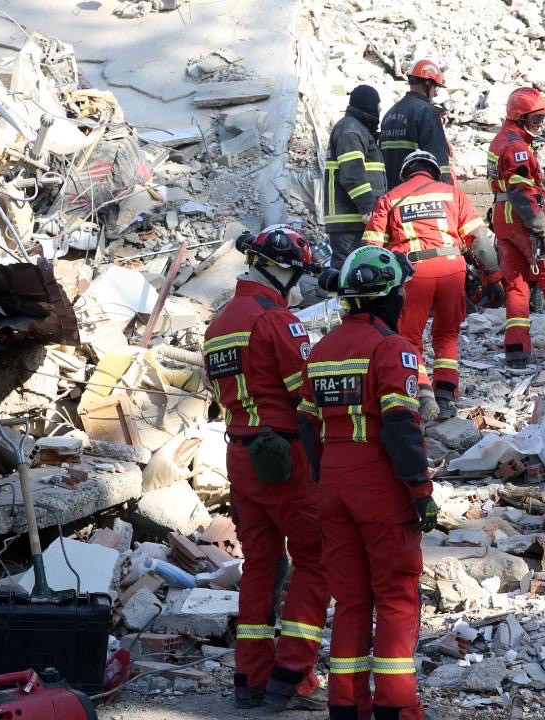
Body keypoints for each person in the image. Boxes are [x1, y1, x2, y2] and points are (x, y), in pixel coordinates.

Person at [297, 246, 438, 720]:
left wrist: (322, 478)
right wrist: (421, 491)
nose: (403, 298)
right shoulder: (391, 347)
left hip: (332, 483)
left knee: (352, 599)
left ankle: (345, 705)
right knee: (397, 594)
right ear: (384, 296)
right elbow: (400, 425)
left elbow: (305, 425)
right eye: (399, 291)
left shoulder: (321, 351)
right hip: (377, 484)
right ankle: (397, 707)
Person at [201, 225, 331, 710]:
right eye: (296, 273)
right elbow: (309, 394)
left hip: (239, 453)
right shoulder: (278, 320)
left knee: (260, 564)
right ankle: (293, 676)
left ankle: (249, 679)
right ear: (279, 268)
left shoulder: (217, 327)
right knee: (315, 559)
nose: (297, 284)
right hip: (285, 455)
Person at [361, 149, 498, 421]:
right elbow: (480, 240)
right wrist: (493, 276)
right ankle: (446, 395)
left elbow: (371, 247)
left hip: (414, 272)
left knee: (410, 336)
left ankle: (423, 393)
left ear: (405, 173)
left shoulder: (390, 198)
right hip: (452, 268)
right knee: (446, 334)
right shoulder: (453, 194)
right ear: (434, 171)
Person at [486, 87, 545, 369]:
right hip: (522, 220)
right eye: (536, 119)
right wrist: (544, 228)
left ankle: (516, 350)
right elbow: (521, 194)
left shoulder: (500, 140)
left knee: (516, 285)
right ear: (521, 118)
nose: (540, 125)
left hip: (503, 220)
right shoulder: (516, 147)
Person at [326, 85, 387, 268]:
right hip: (350, 220)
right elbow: (353, 174)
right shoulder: (350, 129)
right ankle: (338, 298)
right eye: (378, 106)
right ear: (369, 105)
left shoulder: (357, 129)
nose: (380, 111)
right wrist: (369, 209)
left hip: (353, 219)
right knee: (349, 272)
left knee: (359, 274)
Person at [381, 59, 453, 188]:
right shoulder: (427, 112)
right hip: (416, 194)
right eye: (435, 88)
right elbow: (439, 159)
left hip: (392, 194)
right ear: (427, 84)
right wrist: (446, 190)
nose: (434, 93)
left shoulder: (389, 114)